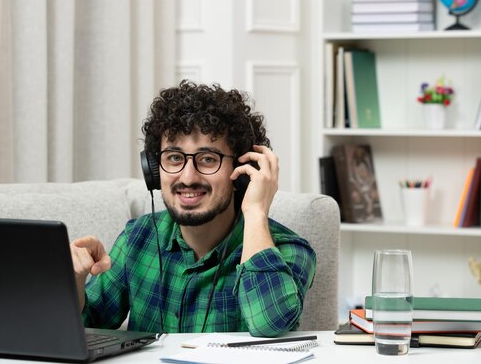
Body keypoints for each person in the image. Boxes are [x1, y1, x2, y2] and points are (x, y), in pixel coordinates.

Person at [70, 80, 316, 337]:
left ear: (243, 173)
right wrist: (74, 279)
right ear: (154, 170)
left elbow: (270, 323)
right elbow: (87, 324)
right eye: (174, 158)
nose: (188, 177)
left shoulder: (289, 250)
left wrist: (255, 212)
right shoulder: (137, 238)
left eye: (208, 159)